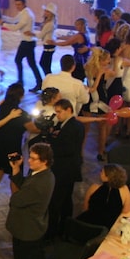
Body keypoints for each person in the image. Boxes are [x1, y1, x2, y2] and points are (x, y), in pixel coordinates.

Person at [4, 142, 54, 259]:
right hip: (32, 228)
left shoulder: (39, 184)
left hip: (27, 231)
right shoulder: (44, 175)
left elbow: (16, 199)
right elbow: (24, 185)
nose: (29, 161)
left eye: (33, 159)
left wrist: (15, 184)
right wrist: (16, 169)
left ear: (44, 161)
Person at [46, 99, 84, 238]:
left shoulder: (72, 127)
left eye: (59, 112)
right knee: (66, 199)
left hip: (64, 170)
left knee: (57, 200)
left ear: (68, 110)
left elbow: (67, 149)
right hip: (68, 168)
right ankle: (64, 227)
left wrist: (51, 144)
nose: (57, 115)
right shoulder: (69, 124)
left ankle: (53, 231)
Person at [3, 0, 42, 92]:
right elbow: (13, 20)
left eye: (19, 4)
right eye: (16, 5)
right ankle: (36, 82)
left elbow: (15, 27)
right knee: (28, 63)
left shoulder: (26, 14)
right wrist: (2, 18)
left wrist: (2, 24)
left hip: (27, 42)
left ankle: (23, 82)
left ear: (24, 4)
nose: (17, 6)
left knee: (21, 61)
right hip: (27, 42)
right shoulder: (24, 12)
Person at [38, 3, 58, 76]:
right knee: (45, 65)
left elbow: (40, 35)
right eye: (45, 11)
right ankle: (49, 79)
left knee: (44, 64)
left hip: (49, 46)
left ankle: (50, 79)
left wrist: (31, 34)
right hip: (48, 45)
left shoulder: (49, 24)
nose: (45, 12)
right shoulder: (48, 22)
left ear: (51, 14)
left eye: (48, 11)